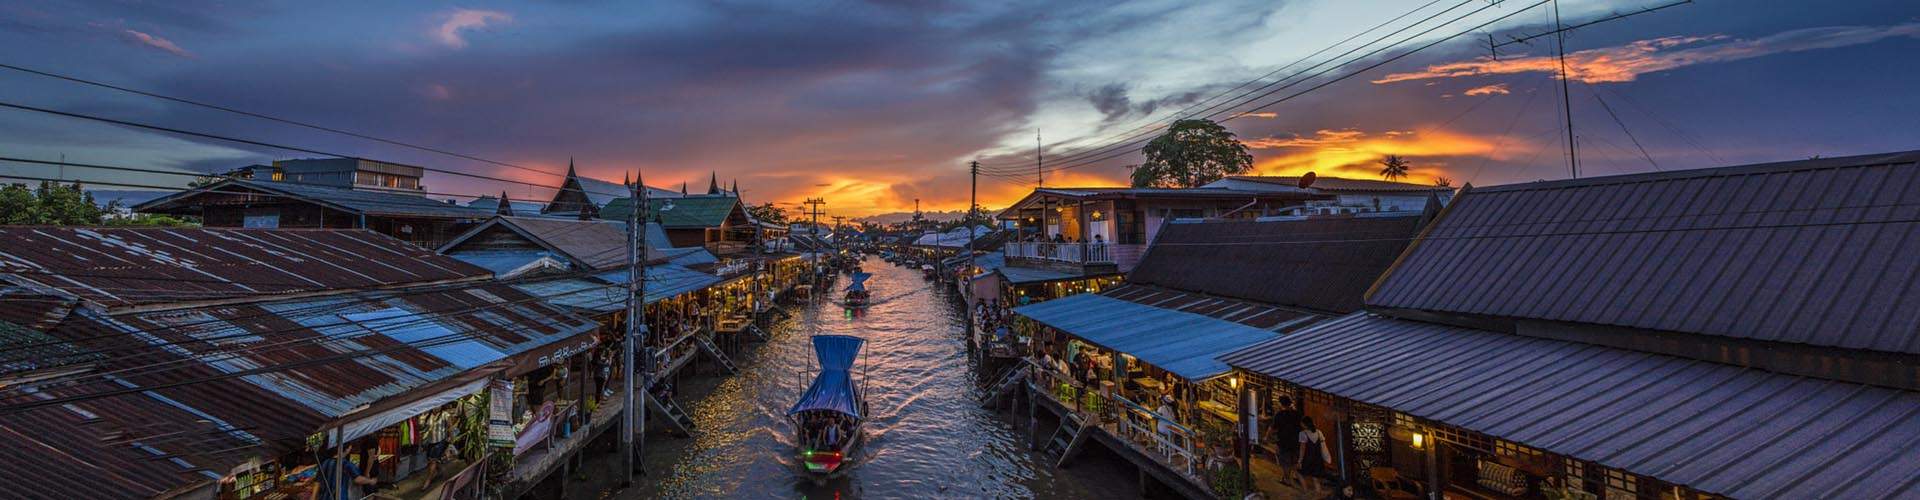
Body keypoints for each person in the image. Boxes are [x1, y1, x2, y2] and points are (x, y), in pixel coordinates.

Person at [312, 444, 377, 500]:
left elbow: (318, 482)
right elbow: (357, 479)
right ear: (347, 449)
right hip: (340, 497)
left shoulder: (325, 462)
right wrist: (370, 481)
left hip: (324, 497)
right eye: (349, 447)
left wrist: (313, 497)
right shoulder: (346, 464)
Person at [1269, 396, 1305, 487]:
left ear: (1281, 404)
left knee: (1285, 461)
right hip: (1296, 440)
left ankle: (1287, 479)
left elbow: (1273, 428)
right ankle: (1293, 476)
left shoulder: (1279, 415)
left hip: (1283, 441)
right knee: (1294, 459)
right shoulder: (1297, 413)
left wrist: (1267, 436)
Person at [1298, 416, 1332, 494]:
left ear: (1304, 424)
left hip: (1308, 458)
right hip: (1317, 458)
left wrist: (1300, 460)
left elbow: (1302, 449)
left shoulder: (1303, 434)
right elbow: (1323, 446)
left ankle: (1305, 491)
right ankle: (1318, 493)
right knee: (1315, 478)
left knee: (1299, 473)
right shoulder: (1319, 432)